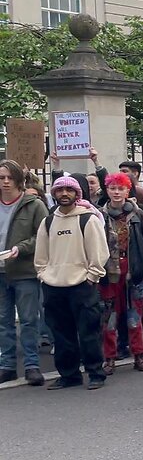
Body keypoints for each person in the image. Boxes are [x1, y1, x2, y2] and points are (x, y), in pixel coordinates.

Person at [35, 177, 109, 390]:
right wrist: (43, 274)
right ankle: (69, 375)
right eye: (60, 190)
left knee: (89, 332)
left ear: (77, 194)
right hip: (53, 286)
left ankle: (96, 373)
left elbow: (99, 253)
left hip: (81, 285)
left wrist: (91, 277)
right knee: (61, 333)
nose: (64, 194)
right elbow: (41, 255)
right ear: (54, 194)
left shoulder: (88, 219)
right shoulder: (48, 221)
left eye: (69, 190)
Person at [99, 172, 143, 375]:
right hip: (109, 273)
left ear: (128, 191)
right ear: (107, 190)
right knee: (109, 317)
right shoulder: (99, 215)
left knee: (135, 315)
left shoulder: (138, 213)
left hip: (133, 272)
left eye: (121, 188)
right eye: (113, 188)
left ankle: (139, 355)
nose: (117, 192)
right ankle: (109, 358)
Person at [0, 160, 50, 386]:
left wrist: (20, 248)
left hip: (24, 271)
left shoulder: (34, 204)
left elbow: (42, 234)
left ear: (19, 180)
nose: (6, 182)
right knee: (4, 321)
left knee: (29, 320)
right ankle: (7, 365)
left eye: (10, 177)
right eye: (2, 178)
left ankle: (32, 365)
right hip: (1, 272)